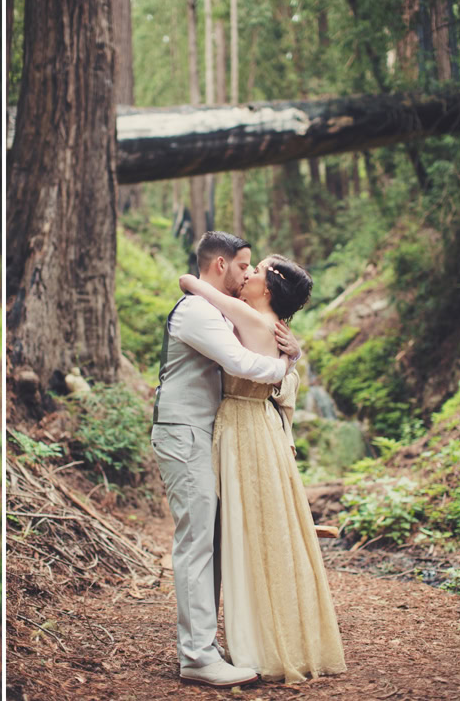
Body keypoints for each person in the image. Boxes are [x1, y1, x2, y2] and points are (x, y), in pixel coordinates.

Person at [178, 254, 346, 683]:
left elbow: (190, 283)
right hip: (262, 428)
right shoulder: (274, 326)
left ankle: (257, 646)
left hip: (241, 427)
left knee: (245, 533)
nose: (247, 273)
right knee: (268, 531)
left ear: (267, 288)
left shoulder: (250, 316)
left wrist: (201, 278)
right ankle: (285, 636)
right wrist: (293, 358)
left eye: (256, 270)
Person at [150, 231, 300, 688]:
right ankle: (196, 656)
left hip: (204, 434)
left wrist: (292, 351)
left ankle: (207, 646)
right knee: (197, 543)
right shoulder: (197, 312)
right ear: (219, 265)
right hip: (184, 433)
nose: (247, 274)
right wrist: (286, 367)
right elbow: (238, 362)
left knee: (211, 542)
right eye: (242, 266)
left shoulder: (212, 304)